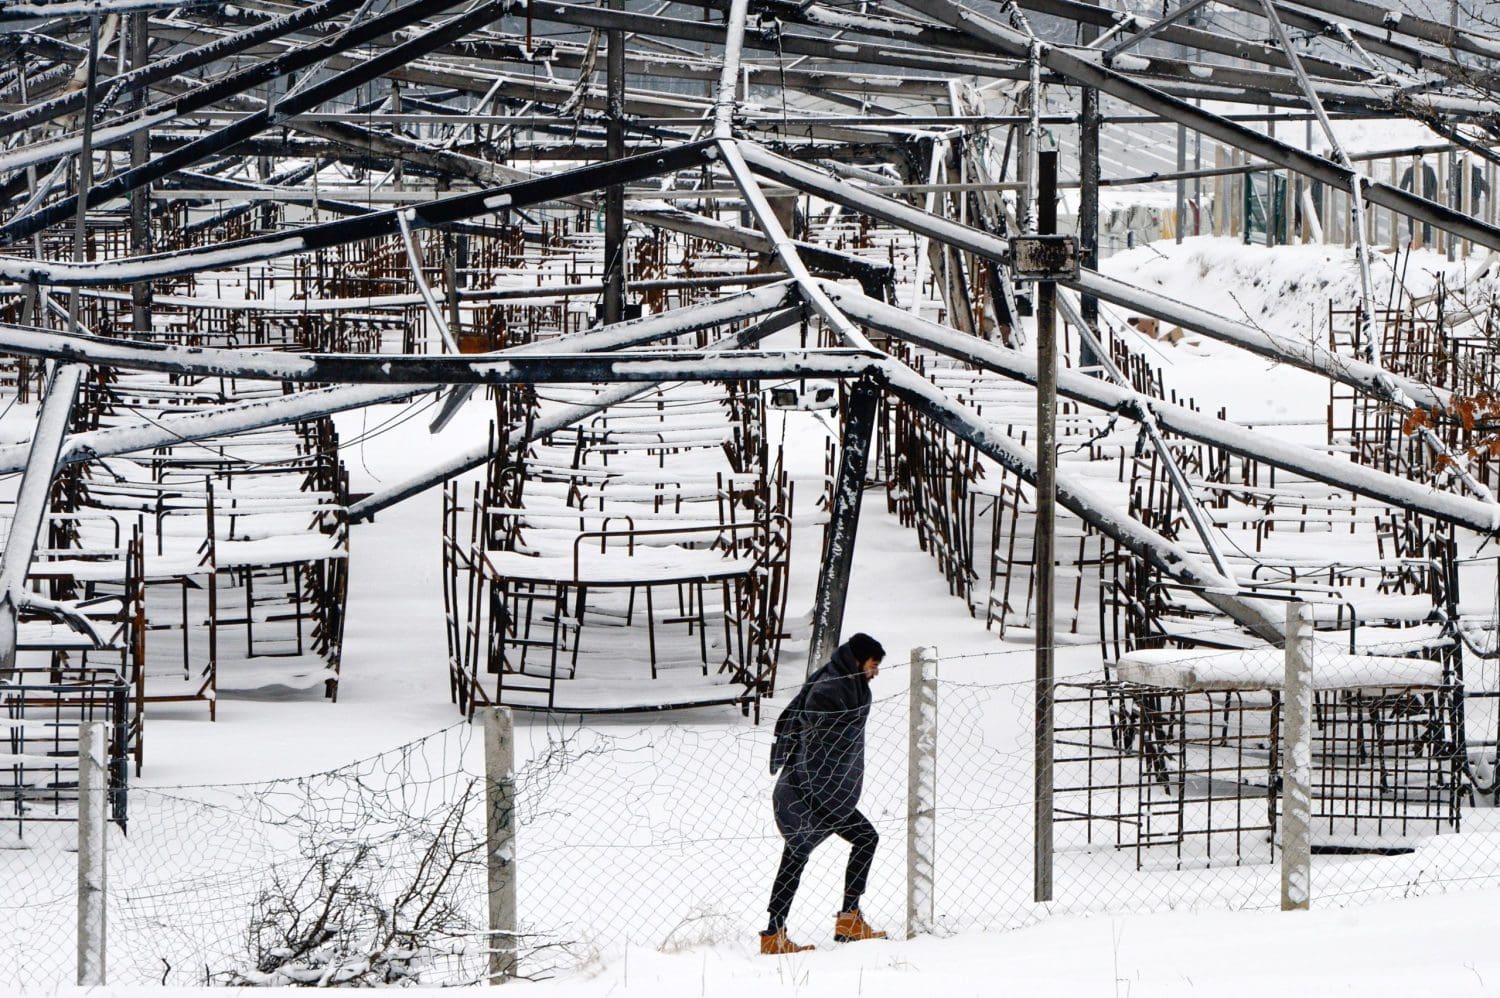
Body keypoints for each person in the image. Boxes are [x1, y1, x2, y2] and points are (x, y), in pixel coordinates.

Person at [760, 632, 888, 955]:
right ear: (859, 661)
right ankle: (838, 921)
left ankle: (787, 930)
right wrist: (821, 789)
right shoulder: (830, 689)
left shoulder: (850, 685)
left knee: (801, 852)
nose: (876, 672)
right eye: (873, 664)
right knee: (805, 849)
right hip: (811, 790)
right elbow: (816, 740)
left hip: (830, 792)